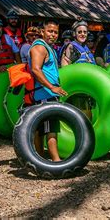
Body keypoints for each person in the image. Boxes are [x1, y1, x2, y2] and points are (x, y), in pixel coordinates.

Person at [26, 19, 68, 161]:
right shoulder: (40, 47)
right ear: (42, 32)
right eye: (50, 31)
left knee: (41, 129)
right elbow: (36, 70)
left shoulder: (49, 48)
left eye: (55, 32)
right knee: (51, 130)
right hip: (44, 94)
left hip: (45, 94)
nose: (53, 34)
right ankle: (56, 161)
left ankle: (40, 160)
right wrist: (52, 87)